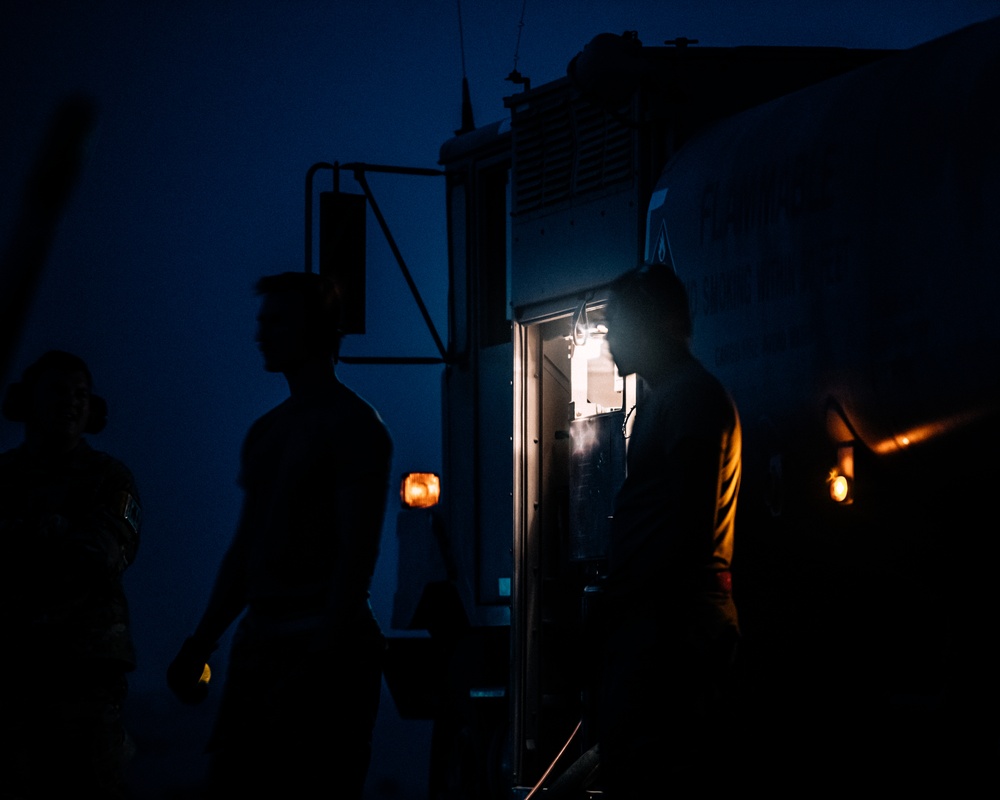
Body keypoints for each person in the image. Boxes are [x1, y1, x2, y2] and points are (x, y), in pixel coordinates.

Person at [168, 271, 393, 798]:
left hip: (315, 645)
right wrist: (201, 642)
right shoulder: (269, 431)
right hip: (267, 645)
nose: (260, 334)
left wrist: (324, 653)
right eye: (262, 322)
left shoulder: (353, 425)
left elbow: (356, 554)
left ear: (316, 330)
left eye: (276, 322)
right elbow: (247, 550)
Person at [597, 265, 741, 796]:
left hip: (672, 630)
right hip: (665, 622)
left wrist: (631, 594)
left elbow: (687, 525)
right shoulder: (675, 399)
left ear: (652, 325)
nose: (610, 340)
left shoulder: (688, 401)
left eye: (618, 326)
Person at [0, 350, 142, 799]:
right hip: (13, 671)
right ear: (29, 401)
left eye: (81, 394)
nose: (71, 403)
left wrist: (30, 535)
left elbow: (103, 551)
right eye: (58, 392)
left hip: (85, 676)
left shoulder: (109, 478)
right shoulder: (3, 477)